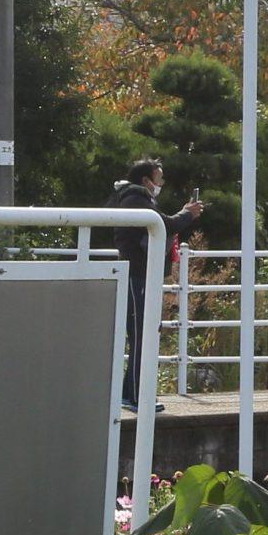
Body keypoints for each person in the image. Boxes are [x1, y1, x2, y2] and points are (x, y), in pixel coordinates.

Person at [108, 160, 204, 412]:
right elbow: (165, 224)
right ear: (145, 180)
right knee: (141, 335)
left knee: (143, 334)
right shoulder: (134, 199)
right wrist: (187, 214)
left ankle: (130, 394)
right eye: (158, 179)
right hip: (136, 275)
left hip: (142, 276)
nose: (160, 184)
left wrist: (183, 214)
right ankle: (139, 397)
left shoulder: (136, 198)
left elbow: (164, 223)